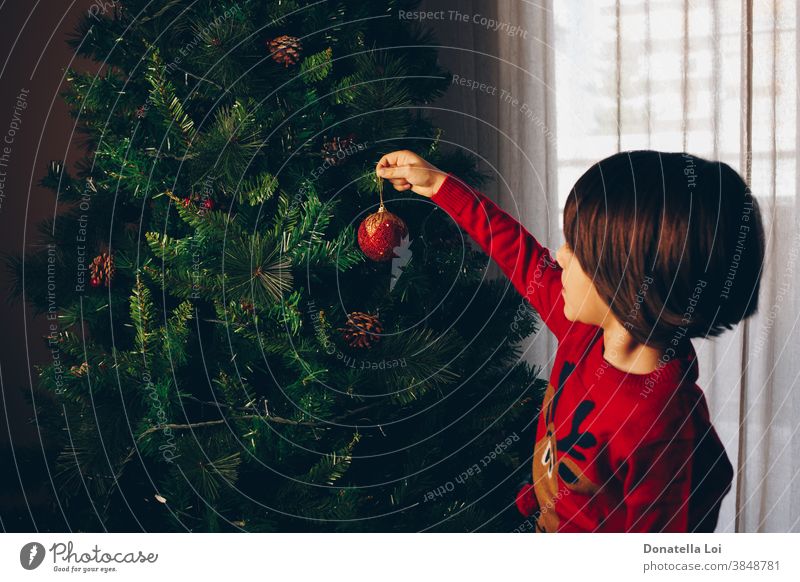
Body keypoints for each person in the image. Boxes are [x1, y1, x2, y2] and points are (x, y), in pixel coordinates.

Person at [376, 149, 765, 532]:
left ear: (628, 283)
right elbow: (518, 254)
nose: (559, 256)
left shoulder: (665, 429)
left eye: (577, 249)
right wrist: (440, 185)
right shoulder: (588, 333)